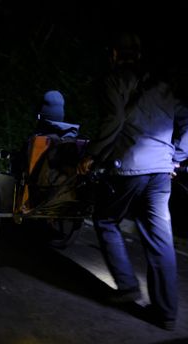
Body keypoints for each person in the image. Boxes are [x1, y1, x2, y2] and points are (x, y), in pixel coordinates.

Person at [77, 32, 188, 331]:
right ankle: (166, 314)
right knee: (160, 239)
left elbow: (113, 121)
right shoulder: (162, 85)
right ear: (138, 55)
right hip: (161, 171)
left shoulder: (113, 81)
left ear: (114, 54)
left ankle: (127, 286)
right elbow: (187, 119)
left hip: (129, 167)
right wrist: (177, 156)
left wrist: (91, 155)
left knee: (105, 219)